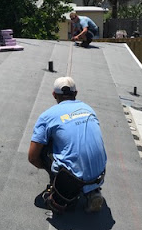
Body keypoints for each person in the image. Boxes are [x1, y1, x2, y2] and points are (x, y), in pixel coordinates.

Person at [28, 76, 107, 214]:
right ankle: (92, 190)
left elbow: (32, 157)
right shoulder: (88, 109)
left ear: (54, 95)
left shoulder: (47, 116)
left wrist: (50, 168)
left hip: (73, 178)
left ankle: (60, 192)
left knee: (43, 145)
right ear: (76, 93)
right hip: (99, 173)